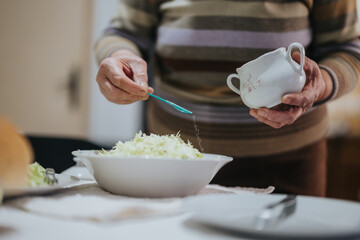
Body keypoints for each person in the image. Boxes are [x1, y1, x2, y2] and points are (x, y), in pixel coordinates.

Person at [94, 0, 360, 196]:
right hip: (174, 167)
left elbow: (349, 49)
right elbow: (120, 34)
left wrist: (319, 85)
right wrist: (120, 58)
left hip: (288, 165)